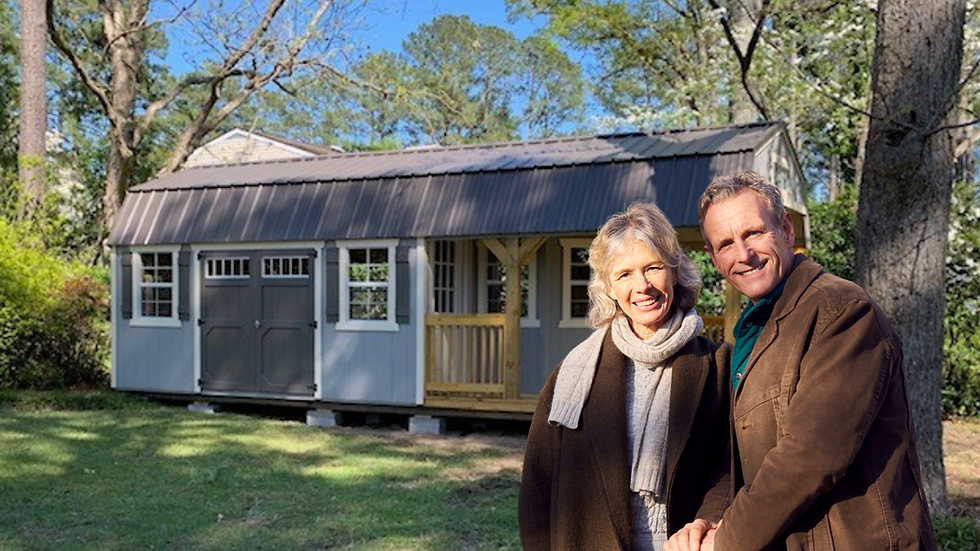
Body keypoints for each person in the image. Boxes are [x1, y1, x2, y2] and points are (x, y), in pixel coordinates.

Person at [666, 171, 935, 551]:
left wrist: (725, 541)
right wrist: (708, 520)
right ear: (713, 258)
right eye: (726, 244)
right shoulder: (754, 330)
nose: (743, 255)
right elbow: (736, 454)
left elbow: (811, 454)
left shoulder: (841, 310)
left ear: (786, 230)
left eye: (754, 233)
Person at [519, 202, 733, 550]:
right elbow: (537, 487)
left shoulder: (719, 366)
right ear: (608, 287)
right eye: (624, 274)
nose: (642, 286)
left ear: (675, 271)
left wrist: (706, 520)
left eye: (653, 268)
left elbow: (731, 464)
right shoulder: (573, 373)